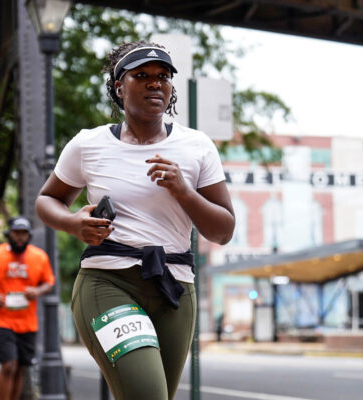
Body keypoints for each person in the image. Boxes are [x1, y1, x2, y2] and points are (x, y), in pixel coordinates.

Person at [35, 40, 235, 400]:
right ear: (119, 87)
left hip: (174, 287)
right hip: (108, 282)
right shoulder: (88, 144)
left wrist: (184, 191)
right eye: (141, 76)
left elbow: (222, 231)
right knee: (147, 395)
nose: (154, 83)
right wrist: (73, 224)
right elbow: (47, 200)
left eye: (163, 76)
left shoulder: (197, 146)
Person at [0, 216, 55, 400]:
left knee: (20, 367)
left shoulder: (39, 257)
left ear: (29, 236)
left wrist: (37, 290)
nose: (20, 237)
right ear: (8, 234)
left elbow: (49, 282)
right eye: (16, 233)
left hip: (27, 322)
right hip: (0, 319)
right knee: (9, 365)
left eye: (23, 233)